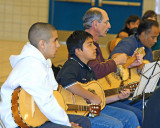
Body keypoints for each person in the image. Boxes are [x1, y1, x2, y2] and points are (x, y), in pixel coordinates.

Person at [0, 22, 91, 128]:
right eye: (55, 40)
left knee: (84, 122)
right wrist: (67, 123)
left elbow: (52, 93)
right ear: (42, 44)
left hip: (38, 113)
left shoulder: (42, 63)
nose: (58, 45)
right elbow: (46, 102)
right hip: (20, 122)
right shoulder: (32, 65)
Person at [56, 30, 140, 128]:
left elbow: (99, 99)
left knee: (130, 117)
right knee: (115, 125)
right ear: (78, 50)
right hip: (76, 113)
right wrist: (91, 96)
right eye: (90, 45)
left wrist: (118, 97)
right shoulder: (72, 64)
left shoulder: (89, 69)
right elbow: (67, 81)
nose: (95, 47)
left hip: (91, 110)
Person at [83, 7, 144, 125]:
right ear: (95, 24)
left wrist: (128, 64)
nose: (109, 26)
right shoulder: (84, 44)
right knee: (130, 117)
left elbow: (101, 68)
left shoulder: (93, 44)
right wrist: (116, 61)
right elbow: (95, 71)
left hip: (102, 96)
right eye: (106, 22)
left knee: (133, 115)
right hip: (89, 101)